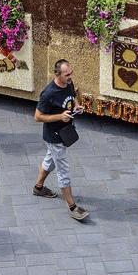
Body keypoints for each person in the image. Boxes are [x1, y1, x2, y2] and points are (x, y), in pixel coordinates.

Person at [32, 59, 89, 221]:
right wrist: (60, 116)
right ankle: (72, 207)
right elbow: (37, 117)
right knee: (63, 170)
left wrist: (76, 106)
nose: (70, 76)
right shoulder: (49, 93)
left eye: (71, 73)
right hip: (54, 136)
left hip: (64, 132)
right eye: (67, 74)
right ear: (57, 74)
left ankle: (38, 187)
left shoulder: (68, 83)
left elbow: (72, 95)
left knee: (50, 161)